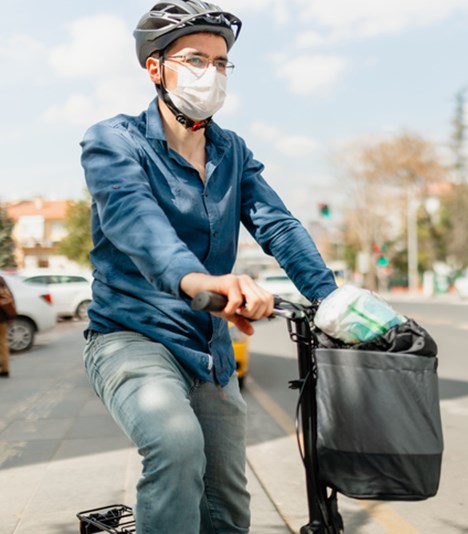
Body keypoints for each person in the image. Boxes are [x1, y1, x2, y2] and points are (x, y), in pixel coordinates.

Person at [79, 2, 337, 532]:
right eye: (197, 59)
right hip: (131, 337)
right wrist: (198, 279)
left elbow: (277, 225)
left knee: (227, 497)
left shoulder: (231, 151)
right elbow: (133, 218)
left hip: (210, 348)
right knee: (175, 446)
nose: (212, 73)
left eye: (221, 64)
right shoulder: (113, 141)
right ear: (156, 67)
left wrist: (334, 300)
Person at [0, 274, 16, 378]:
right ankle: (5, 369)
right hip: (2, 317)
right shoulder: (1, 279)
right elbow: (10, 297)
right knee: (2, 342)